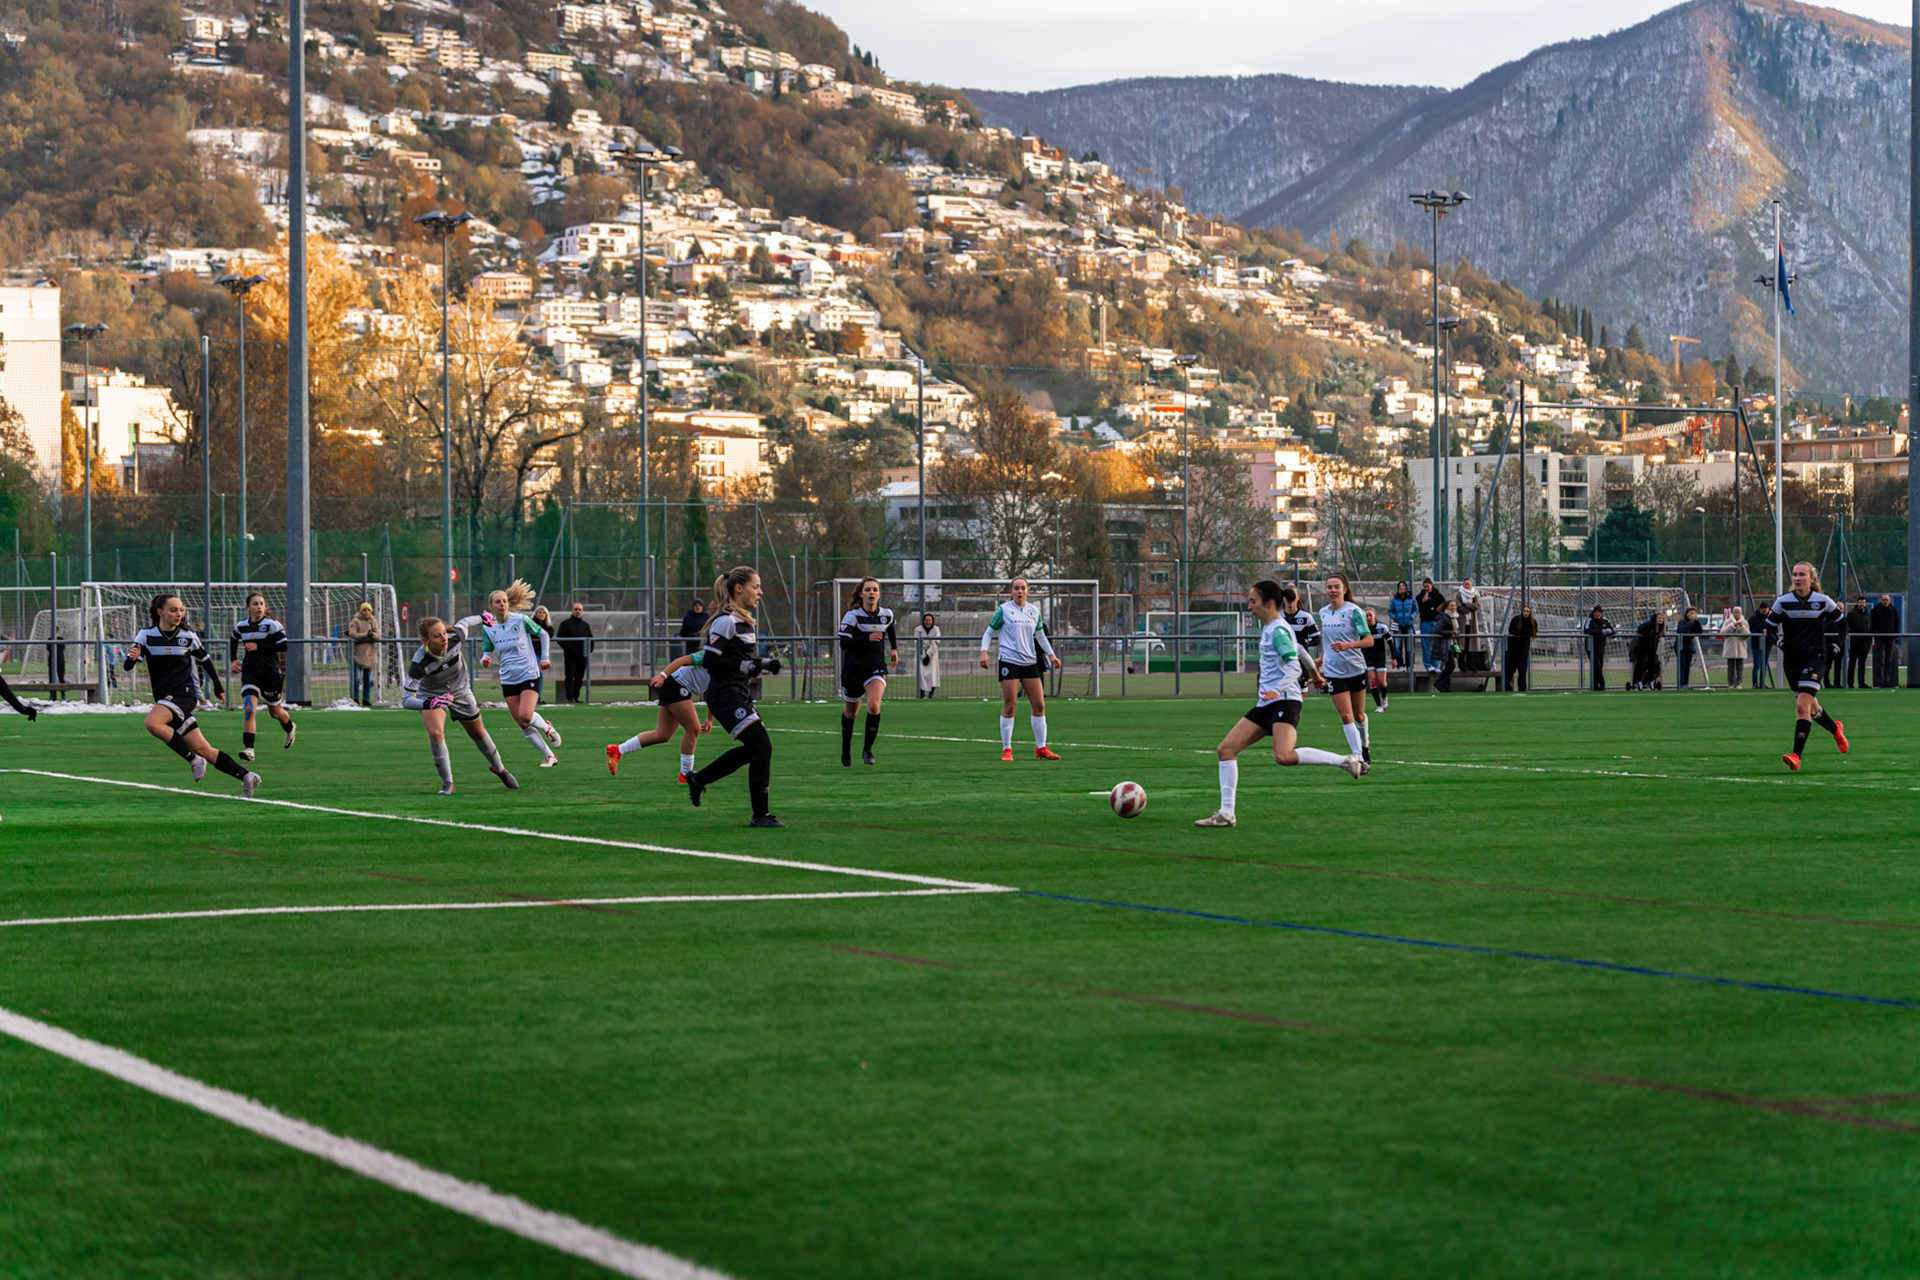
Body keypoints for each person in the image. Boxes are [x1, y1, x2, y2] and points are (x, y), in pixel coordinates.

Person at [1194, 579, 1364, 827]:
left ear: (1269, 603)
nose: (1249, 607)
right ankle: (1226, 814)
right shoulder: (1275, 627)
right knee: (1226, 750)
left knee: (1283, 756)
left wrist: (1277, 689)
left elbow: (1293, 664)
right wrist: (1316, 675)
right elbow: (1301, 652)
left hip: (1285, 701)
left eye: (1253, 601)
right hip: (1267, 703)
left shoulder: (1277, 630)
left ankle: (1344, 761)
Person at [124, 593, 260, 797]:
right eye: (173, 610)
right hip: (165, 699)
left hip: (184, 695)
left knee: (153, 723)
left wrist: (217, 688)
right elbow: (128, 665)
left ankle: (193, 759)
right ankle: (247, 776)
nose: (178, 614)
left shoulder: (188, 637)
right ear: (160, 612)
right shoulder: (146, 635)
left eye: (181, 610)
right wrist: (132, 658)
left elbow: (206, 662)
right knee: (205, 748)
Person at [684, 566, 785, 828]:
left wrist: (763, 664)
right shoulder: (726, 620)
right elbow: (710, 660)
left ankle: (699, 779)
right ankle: (760, 815)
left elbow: (739, 660)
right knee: (762, 747)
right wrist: (745, 667)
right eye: (756, 586)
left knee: (754, 749)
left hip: (738, 694)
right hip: (725, 697)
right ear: (738, 589)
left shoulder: (744, 622)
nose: (760, 592)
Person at [402, 614, 519, 795]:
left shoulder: (455, 637)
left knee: (478, 732)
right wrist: (430, 702)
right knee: (435, 732)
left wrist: (483, 617)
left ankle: (499, 768)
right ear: (425, 640)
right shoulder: (419, 663)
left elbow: (465, 622)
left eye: (443, 633)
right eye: (437, 636)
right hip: (432, 694)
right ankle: (447, 782)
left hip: (461, 691)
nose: (443, 639)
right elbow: (406, 700)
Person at [1769, 562, 1849, 771]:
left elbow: (1843, 624)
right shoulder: (1783, 602)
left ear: (1811, 579)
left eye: (1802, 574)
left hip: (1815, 659)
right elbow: (1767, 627)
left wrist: (1836, 645)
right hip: (1792, 661)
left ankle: (1796, 756)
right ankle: (1835, 729)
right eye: (1795, 574)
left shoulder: (1822, 601)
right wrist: (1778, 642)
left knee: (1801, 707)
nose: (1797, 578)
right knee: (1811, 708)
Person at [478, 581, 561, 767]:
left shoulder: (520, 620)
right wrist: (485, 659)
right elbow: (486, 650)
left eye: (505, 601)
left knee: (525, 715)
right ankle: (549, 756)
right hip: (508, 678)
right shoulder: (488, 626)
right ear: (491, 606)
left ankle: (547, 727)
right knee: (522, 724)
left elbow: (544, 634)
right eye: (498, 602)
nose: (502, 604)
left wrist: (544, 658)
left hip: (528, 673)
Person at [980, 576, 1062, 762]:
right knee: (1010, 706)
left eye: (1023, 588)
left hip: (1030, 662)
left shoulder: (1034, 611)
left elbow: (1040, 636)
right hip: (1009, 661)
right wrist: (983, 652)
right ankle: (1007, 750)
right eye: (1016, 588)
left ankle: (1041, 747)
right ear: (1011, 591)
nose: (1019, 591)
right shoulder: (1004, 610)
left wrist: (1052, 655)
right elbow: (989, 632)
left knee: (1039, 705)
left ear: (1027, 591)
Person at [608, 649, 710, 783]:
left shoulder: (731, 665)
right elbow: (682, 660)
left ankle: (618, 750)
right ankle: (686, 775)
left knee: (662, 735)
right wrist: (662, 675)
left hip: (675, 687)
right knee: (693, 729)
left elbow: (717, 693)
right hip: (675, 685)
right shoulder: (711, 654)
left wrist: (710, 718)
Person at [229, 591, 297, 760]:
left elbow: (283, 646)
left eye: (261, 604)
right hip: (251, 672)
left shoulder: (272, 625)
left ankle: (290, 728)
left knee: (274, 712)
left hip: (270, 673)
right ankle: (249, 749)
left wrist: (259, 647)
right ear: (247, 607)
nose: (259, 607)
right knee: (249, 708)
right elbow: (233, 638)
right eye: (255, 604)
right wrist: (234, 659)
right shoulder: (241, 626)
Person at [837, 577, 897, 766]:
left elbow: (891, 629)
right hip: (854, 670)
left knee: (873, 705)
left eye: (875, 590)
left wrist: (894, 649)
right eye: (868, 590)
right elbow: (844, 643)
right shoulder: (852, 616)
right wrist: (866, 638)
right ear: (861, 594)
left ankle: (867, 750)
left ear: (879, 594)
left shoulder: (886, 614)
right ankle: (846, 749)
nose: (871, 593)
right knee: (850, 713)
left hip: (875, 667)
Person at [1317, 573, 1374, 769]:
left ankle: (1365, 745)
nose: (1332, 590)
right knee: (1345, 716)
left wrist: (1348, 645)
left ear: (1345, 589)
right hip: (1333, 672)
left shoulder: (1354, 611)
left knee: (1359, 715)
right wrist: (1322, 658)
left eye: (1336, 587)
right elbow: (1329, 642)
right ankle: (1358, 758)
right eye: (1329, 587)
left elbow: (1369, 640)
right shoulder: (1323, 612)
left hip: (1356, 669)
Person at [556, 602, 594, 703]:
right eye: (576, 609)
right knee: (569, 676)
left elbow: (591, 639)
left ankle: (576, 697)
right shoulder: (565, 624)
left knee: (579, 677)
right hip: (570, 656)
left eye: (580, 610)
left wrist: (589, 650)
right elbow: (559, 638)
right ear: (572, 610)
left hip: (582, 656)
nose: (578, 611)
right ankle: (570, 697)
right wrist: (569, 648)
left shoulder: (585, 625)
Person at [346, 602, 380, 707]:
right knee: (357, 678)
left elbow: (378, 634)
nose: (366, 612)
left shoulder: (373, 621)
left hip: (370, 654)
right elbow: (353, 634)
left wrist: (373, 635)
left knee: (368, 679)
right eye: (364, 610)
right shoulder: (355, 621)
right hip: (358, 654)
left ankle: (366, 699)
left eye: (368, 610)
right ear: (361, 611)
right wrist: (366, 635)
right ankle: (355, 698)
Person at [1362, 605, 1390, 711]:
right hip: (1368, 659)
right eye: (1366, 616)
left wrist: (1395, 658)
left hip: (1380, 658)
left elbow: (1390, 642)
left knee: (1382, 682)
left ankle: (1384, 697)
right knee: (1372, 682)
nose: (1368, 618)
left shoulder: (1382, 628)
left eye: (1370, 615)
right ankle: (1379, 705)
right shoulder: (1363, 629)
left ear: (1375, 616)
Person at [1504, 605, 1538, 692]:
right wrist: (1521, 633)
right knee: (1510, 669)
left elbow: (1532, 633)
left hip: (1523, 650)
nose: (1526, 613)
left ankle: (1522, 687)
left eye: (1527, 611)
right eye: (1524, 611)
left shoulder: (1532, 622)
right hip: (1513, 649)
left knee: (1522, 670)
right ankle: (1508, 687)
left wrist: (1523, 633)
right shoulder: (1516, 619)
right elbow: (1512, 630)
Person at [1629, 612, 1666, 690]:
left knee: (1652, 664)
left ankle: (1651, 681)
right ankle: (1639, 681)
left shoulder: (1662, 628)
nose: (1660, 620)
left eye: (1661, 618)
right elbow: (1640, 629)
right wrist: (1649, 635)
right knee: (1640, 664)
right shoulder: (1649, 625)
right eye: (1658, 618)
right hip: (1642, 647)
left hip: (1652, 649)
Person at [1583, 606, 1617, 691]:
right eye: (1596, 612)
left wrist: (1608, 632)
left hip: (1601, 647)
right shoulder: (1589, 620)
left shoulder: (1605, 620)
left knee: (1599, 667)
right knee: (1596, 666)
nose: (1597, 614)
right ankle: (1602, 684)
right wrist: (1600, 632)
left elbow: (1612, 630)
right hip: (1591, 647)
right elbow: (1586, 630)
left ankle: (1595, 686)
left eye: (1599, 612)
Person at [1456, 578, 1486, 673]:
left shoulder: (1475, 594)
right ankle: (1462, 666)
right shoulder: (1459, 594)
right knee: (1462, 645)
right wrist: (1468, 608)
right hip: (1462, 623)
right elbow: (1459, 607)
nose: (1467, 585)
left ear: (1471, 585)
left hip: (1472, 623)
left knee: (1471, 644)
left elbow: (1476, 606)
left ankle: (1471, 665)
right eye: (1465, 584)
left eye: (1469, 584)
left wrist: (1467, 604)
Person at [1871, 593, 1900, 687]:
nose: (1885, 601)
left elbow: (1897, 624)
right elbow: (1873, 624)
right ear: (1881, 600)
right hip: (1880, 639)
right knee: (1880, 661)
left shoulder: (1893, 611)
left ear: (1890, 600)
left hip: (1890, 638)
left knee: (1889, 661)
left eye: (1887, 599)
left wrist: (1894, 635)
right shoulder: (1875, 611)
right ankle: (1880, 681)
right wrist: (1876, 635)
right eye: (1884, 599)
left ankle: (1887, 680)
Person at [1673, 606, 1705, 690]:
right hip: (1681, 647)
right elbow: (1681, 630)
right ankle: (1681, 683)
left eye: (1694, 613)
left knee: (1687, 666)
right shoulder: (1682, 622)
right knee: (1682, 665)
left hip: (1689, 647)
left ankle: (1686, 683)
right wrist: (1690, 622)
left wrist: (1697, 621)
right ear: (1686, 614)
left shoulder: (1695, 623)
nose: (1693, 615)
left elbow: (1699, 631)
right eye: (1691, 613)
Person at [1414, 579, 1443, 668]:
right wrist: (1423, 602)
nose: (1426, 588)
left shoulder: (1438, 596)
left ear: (1432, 586)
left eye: (1428, 586)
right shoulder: (1419, 597)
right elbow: (1419, 609)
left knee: (1435, 644)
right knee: (1426, 644)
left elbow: (1443, 607)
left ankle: (1435, 664)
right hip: (1425, 622)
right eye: (1425, 586)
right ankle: (1427, 664)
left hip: (1435, 622)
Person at [1748, 599, 1777, 688]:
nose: (1764, 610)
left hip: (1767, 645)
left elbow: (1774, 630)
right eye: (1763, 608)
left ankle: (1762, 683)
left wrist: (1769, 635)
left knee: (1764, 665)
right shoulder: (1754, 618)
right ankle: (1755, 683)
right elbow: (1751, 629)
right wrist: (1760, 632)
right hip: (1757, 645)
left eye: (1766, 608)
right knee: (1757, 664)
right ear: (1760, 609)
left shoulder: (1771, 618)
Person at [1432, 598, 1459, 692]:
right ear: (1447, 607)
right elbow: (1438, 630)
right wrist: (1451, 632)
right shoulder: (1443, 617)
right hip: (1445, 644)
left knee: (1449, 665)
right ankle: (1439, 683)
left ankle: (1446, 687)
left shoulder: (1454, 617)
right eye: (1451, 606)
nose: (1453, 607)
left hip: (1451, 644)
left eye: (1454, 605)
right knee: (1451, 665)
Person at [1846, 596, 1873, 689]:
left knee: (1862, 664)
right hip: (1854, 643)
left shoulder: (1868, 614)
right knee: (1852, 664)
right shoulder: (1852, 614)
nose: (1862, 604)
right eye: (1860, 602)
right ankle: (1850, 683)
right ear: (1857, 603)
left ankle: (1862, 682)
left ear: (1866, 604)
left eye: (1863, 602)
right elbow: (1847, 626)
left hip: (1865, 643)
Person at [1387, 581, 1416, 668]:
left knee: (1409, 647)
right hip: (1398, 625)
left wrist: (1411, 616)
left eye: (1403, 586)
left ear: (1406, 587)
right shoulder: (1394, 599)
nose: (1402, 587)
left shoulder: (1411, 599)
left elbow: (1416, 609)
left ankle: (1409, 665)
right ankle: (1400, 665)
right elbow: (1390, 611)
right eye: (1400, 586)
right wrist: (1395, 617)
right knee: (1397, 646)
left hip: (1409, 624)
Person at [1720, 610, 1750, 689]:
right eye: (1735, 613)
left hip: (1741, 648)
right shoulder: (1727, 622)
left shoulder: (1745, 622)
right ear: (1733, 613)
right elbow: (1722, 633)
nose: (1737, 614)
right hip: (1730, 648)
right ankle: (1731, 683)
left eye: (1738, 613)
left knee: (1740, 667)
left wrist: (1741, 627)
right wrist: (1732, 626)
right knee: (1730, 667)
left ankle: (1739, 683)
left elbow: (1747, 635)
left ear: (1741, 613)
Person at [914, 612, 941, 698]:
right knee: (920, 673)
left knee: (932, 673)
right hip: (920, 654)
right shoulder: (918, 630)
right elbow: (917, 642)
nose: (928, 622)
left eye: (929, 620)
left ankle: (932, 693)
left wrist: (928, 655)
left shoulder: (936, 629)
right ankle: (921, 692)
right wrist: (923, 655)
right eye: (926, 620)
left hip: (932, 655)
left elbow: (935, 642)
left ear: (932, 621)